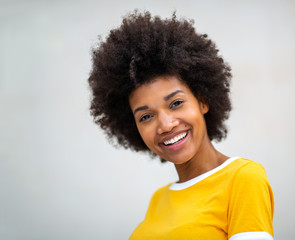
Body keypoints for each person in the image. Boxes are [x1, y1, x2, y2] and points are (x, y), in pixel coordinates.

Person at [88, 10, 274, 240]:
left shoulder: (243, 178)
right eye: (146, 116)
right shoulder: (159, 199)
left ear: (202, 100)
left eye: (176, 103)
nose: (165, 125)